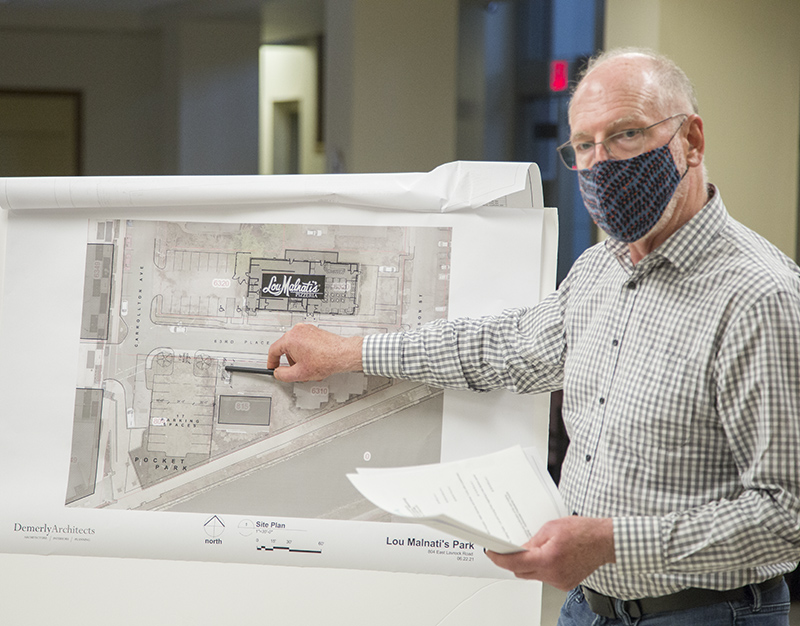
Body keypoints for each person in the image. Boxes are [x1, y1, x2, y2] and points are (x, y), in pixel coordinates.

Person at [267, 48, 800, 624]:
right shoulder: (603, 268)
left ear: (691, 141)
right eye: (585, 146)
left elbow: (786, 519)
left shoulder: (760, 298)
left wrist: (615, 543)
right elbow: (506, 348)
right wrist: (348, 352)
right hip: (589, 606)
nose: (602, 164)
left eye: (625, 135)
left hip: (704, 613)